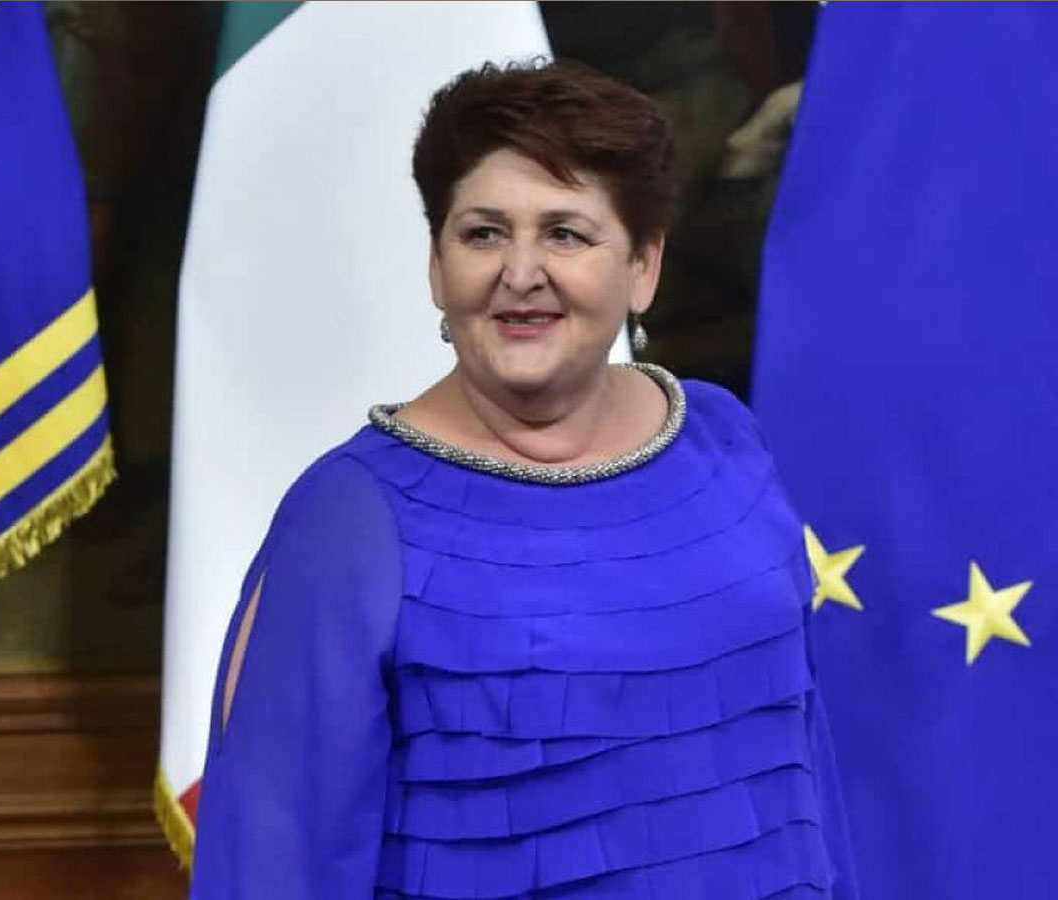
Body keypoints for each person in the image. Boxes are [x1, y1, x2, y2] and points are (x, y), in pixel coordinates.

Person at [190, 59, 857, 900]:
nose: (520, 271)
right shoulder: (347, 519)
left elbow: (803, 775)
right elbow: (274, 862)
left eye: (565, 233)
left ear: (643, 266)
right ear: (437, 266)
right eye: (483, 234)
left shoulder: (724, 440)